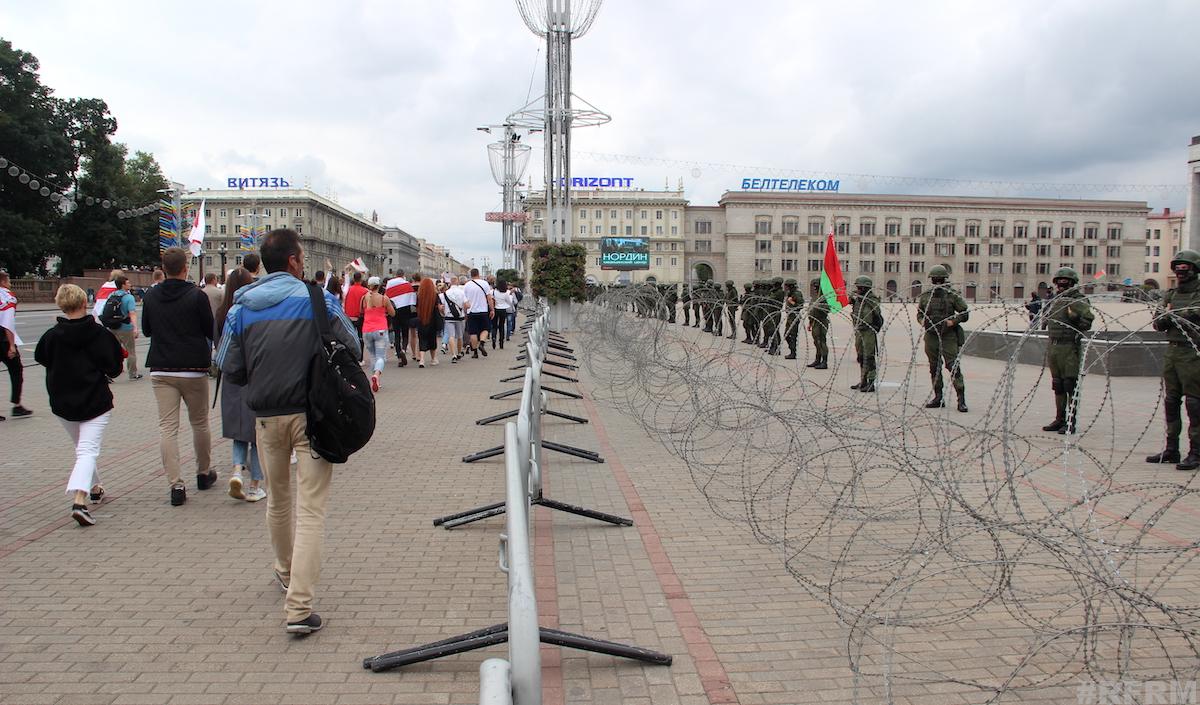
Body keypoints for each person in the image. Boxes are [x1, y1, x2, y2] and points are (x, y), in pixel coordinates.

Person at [218, 229, 359, 635]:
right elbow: (352, 345)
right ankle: (298, 608)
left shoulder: (241, 307)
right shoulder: (318, 299)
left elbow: (227, 362)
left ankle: (283, 571)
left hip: (266, 418)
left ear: (264, 262)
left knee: (278, 502)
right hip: (312, 416)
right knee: (311, 509)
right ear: (295, 261)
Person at [35, 284, 124, 526]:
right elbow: (115, 367)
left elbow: (40, 357)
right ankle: (79, 500)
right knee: (87, 450)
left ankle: (95, 486)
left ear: (61, 305)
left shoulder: (52, 336)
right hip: (94, 399)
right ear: (85, 303)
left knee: (82, 449)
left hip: (63, 400)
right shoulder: (99, 334)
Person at [142, 247, 216, 506]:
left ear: (163, 267)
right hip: (193, 369)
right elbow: (210, 329)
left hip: (162, 369)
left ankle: (176, 484)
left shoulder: (151, 296)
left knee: (167, 428)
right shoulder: (197, 296)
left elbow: (146, 329)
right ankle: (203, 473)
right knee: (200, 422)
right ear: (186, 268)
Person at [214, 268, 266, 502]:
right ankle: (255, 485)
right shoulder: (255, 312)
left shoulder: (223, 312)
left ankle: (236, 470)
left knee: (239, 432)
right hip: (255, 377)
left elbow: (220, 348)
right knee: (257, 434)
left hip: (232, 378)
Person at [1148, 250, 1200, 470]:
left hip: (1192, 352)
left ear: (1194, 270)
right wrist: (1173, 316)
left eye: (1185, 268)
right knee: (1171, 401)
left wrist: (1174, 315)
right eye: (1178, 268)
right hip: (1173, 351)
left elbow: (1193, 316)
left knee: (1194, 403)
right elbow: (1158, 323)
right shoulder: (1170, 294)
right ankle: (1172, 449)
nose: (1180, 272)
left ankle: (1196, 451)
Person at [1041, 267, 1094, 435]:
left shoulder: (1078, 300)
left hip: (1069, 346)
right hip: (1054, 346)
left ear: (1072, 283)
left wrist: (1075, 318)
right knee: (1058, 385)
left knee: (1069, 384)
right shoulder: (1056, 299)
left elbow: (1087, 324)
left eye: (1065, 282)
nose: (1061, 285)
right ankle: (1059, 418)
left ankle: (1071, 421)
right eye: (1059, 282)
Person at [917, 265, 970, 412]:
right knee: (934, 367)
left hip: (948, 336)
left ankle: (961, 398)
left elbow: (964, 313)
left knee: (952, 366)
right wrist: (922, 321)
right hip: (931, 335)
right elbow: (920, 314)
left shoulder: (952, 295)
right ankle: (938, 396)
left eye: (939, 279)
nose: (937, 282)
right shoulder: (926, 296)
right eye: (935, 279)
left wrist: (952, 322)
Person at [0, 271, 33, 420]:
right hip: (3, 340)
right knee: (16, 370)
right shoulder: (8, 297)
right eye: (8, 280)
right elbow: (8, 322)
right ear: (3, 282)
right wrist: (12, 345)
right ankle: (16, 404)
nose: (10, 283)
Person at [850, 276, 883, 393]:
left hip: (868, 330)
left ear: (865, 288)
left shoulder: (871, 299)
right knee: (861, 356)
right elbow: (848, 300)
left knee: (869, 357)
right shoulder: (857, 298)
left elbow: (878, 315)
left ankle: (871, 382)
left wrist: (875, 328)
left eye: (860, 287)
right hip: (859, 330)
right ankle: (863, 380)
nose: (857, 289)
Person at [361, 275, 395, 390]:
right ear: (379, 285)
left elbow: (361, 311)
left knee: (372, 356)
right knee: (381, 357)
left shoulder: (364, 298)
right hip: (380, 329)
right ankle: (376, 375)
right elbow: (393, 313)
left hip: (366, 330)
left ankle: (375, 380)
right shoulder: (384, 298)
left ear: (369, 285)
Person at [108, 275, 143, 381]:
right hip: (126, 328)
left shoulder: (111, 295)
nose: (130, 284)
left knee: (113, 351)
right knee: (131, 351)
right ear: (123, 285)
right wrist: (135, 328)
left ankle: (110, 373)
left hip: (113, 327)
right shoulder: (129, 297)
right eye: (128, 283)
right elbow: (132, 313)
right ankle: (132, 374)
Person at [385, 269, 416, 367]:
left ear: (396, 274)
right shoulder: (407, 284)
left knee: (397, 334)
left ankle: (399, 357)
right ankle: (403, 349)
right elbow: (412, 298)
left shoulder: (390, 283)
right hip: (405, 311)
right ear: (403, 275)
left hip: (394, 311)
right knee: (405, 332)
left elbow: (387, 296)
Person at [463, 268, 493, 358]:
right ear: (478, 274)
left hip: (471, 312)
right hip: (483, 311)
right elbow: (489, 298)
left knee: (473, 333)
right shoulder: (485, 283)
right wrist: (492, 309)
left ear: (471, 275)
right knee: (485, 329)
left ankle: (475, 352)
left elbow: (465, 301)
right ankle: (482, 343)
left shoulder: (467, 285)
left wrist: (465, 313)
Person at [415, 276, 444, 367]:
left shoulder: (419, 296)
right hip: (433, 320)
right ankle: (433, 359)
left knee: (422, 339)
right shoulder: (435, 295)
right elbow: (439, 307)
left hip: (422, 319)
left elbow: (416, 307)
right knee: (432, 340)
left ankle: (422, 360)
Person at [343, 272, 369, 357]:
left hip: (348, 316)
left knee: (350, 337)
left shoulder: (347, 290)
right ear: (361, 280)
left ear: (353, 279)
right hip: (360, 316)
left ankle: (351, 356)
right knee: (360, 337)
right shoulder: (365, 291)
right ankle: (360, 357)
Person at [440, 278, 466, 363]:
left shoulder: (445, 293)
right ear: (457, 282)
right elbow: (466, 304)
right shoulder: (462, 292)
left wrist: (443, 313)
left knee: (451, 336)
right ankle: (459, 353)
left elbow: (442, 306)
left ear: (450, 283)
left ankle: (453, 355)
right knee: (459, 336)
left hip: (449, 317)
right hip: (460, 317)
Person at [806, 287, 830, 369]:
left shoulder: (825, 298)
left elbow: (827, 309)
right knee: (816, 342)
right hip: (815, 322)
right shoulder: (815, 297)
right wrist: (810, 322)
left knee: (822, 342)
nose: (815, 289)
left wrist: (818, 306)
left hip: (821, 322)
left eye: (817, 287)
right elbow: (811, 311)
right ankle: (817, 359)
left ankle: (824, 361)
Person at [782, 279, 804, 360]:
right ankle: (792, 350)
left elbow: (801, 305)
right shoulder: (790, 293)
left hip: (794, 317)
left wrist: (792, 302)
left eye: (787, 286)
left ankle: (793, 353)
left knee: (793, 335)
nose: (786, 288)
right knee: (786, 335)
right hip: (790, 316)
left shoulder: (797, 293)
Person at [491, 279, 513, 350]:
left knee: (494, 326)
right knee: (501, 326)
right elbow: (509, 302)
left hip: (495, 309)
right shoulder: (506, 293)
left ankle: (493, 337)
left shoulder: (493, 292)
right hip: (503, 310)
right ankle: (501, 343)